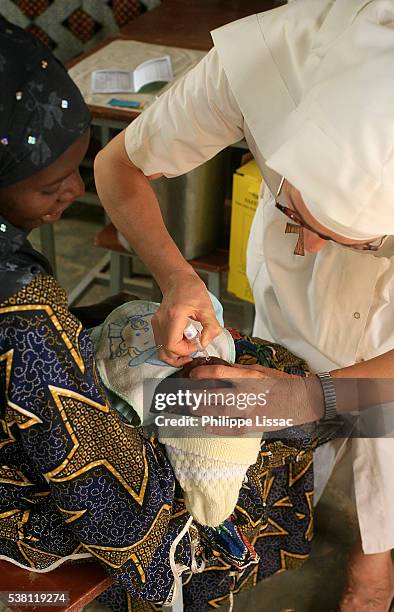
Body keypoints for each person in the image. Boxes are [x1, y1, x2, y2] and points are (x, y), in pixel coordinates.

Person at [0, 16, 334, 612]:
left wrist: (181, 281)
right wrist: (201, 515)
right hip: (25, 504)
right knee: (275, 407)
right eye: (52, 183)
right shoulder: (25, 320)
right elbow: (111, 502)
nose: (72, 193)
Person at [94, 1, 394, 610]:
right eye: (295, 212)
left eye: (342, 238)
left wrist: (311, 396)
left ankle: (373, 560)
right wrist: (179, 279)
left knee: (383, 424)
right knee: (287, 410)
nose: (311, 244)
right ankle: (275, 519)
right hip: (293, 296)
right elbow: (117, 164)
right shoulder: (266, 58)